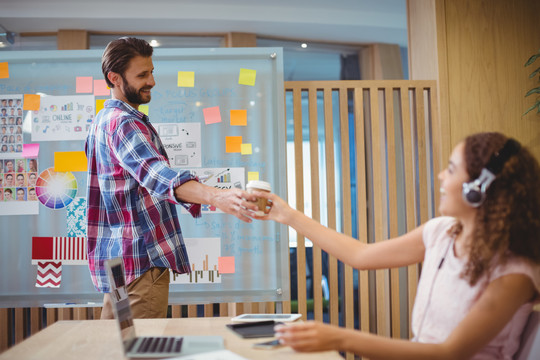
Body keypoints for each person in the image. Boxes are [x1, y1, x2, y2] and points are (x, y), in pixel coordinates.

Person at [251, 132, 540, 359]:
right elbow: (360, 255)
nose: (441, 176)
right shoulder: (441, 232)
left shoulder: (514, 272)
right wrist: (286, 214)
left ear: (478, 189)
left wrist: (339, 338)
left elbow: (449, 353)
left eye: (451, 170)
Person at [85, 37, 259, 320]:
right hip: (140, 263)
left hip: (117, 263)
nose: (151, 81)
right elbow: (158, 175)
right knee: (139, 349)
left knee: (115, 347)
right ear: (114, 78)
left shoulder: (102, 121)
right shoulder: (124, 123)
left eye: (151, 71)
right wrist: (218, 197)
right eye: (142, 74)